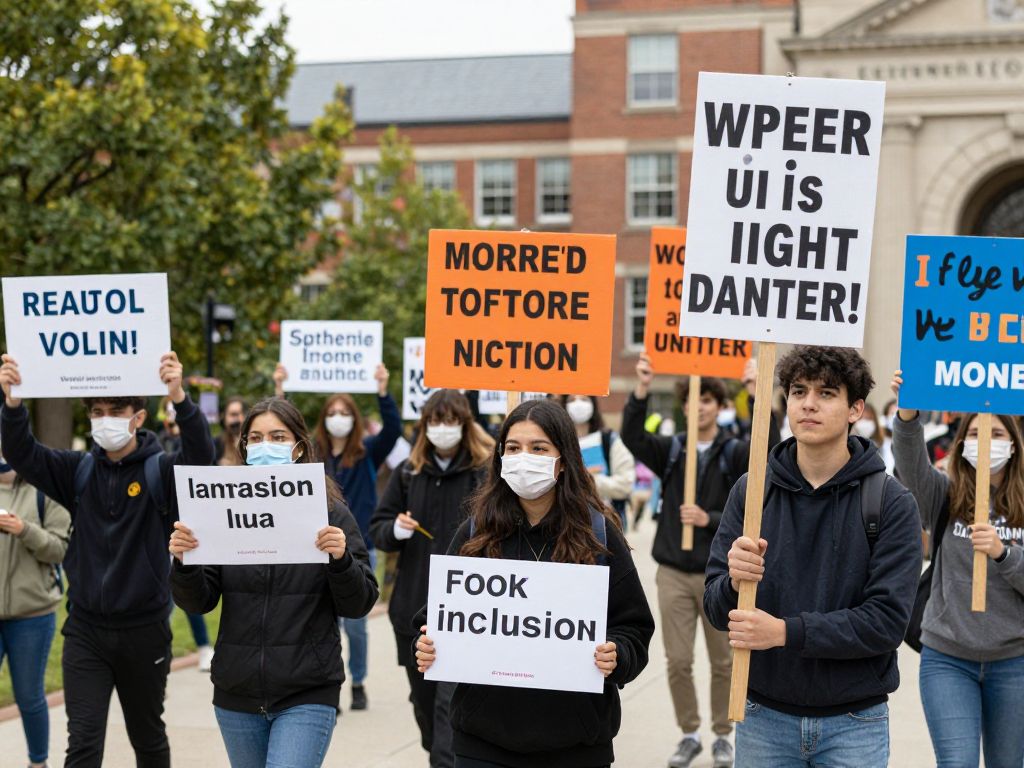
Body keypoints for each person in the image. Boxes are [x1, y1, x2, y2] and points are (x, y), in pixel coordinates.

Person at [704, 346, 922, 768]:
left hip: (854, 721)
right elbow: (715, 608)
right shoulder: (752, 492)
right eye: (798, 391)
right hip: (761, 717)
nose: (808, 403)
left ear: (856, 408)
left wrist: (786, 632)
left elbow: (886, 622)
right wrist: (733, 582)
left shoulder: (890, 502)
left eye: (826, 393)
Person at [0, 351, 215, 768]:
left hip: (144, 631)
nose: (105, 419)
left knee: (148, 739)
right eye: (97, 411)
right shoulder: (76, 471)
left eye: (117, 410)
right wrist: (12, 402)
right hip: (86, 633)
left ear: (138, 417)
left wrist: (180, 398)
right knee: (82, 745)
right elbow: (23, 452)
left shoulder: (160, 471)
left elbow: (201, 458)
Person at [413, 398, 654, 768]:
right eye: (513, 448)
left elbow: (634, 627)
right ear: (500, 457)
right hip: (482, 743)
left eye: (538, 448)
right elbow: (434, 618)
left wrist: (616, 654)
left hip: (575, 746)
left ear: (563, 460)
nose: (524, 457)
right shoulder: (476, 532)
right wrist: (426, 644)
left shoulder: (598, 535)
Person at [168, 396, 378, 768]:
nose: (268, 447)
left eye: (279, 437)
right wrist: (184, 563)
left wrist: (340, 560)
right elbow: (200, 601)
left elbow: (359, 602)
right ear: (244, 447)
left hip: (307, 691)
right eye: (257, 438)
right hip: (237, 692)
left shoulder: (329, 513)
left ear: (299, 446)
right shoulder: (221, 510)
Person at [621, 353, 777, 768]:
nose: (701, 406)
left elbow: (772, 450)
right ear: (685, 405)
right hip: (672, 571)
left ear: (719, 406)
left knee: (724, 662)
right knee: (677, 661)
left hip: (719, 576)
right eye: (694, 399)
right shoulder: (671, 450)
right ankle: (689, 732)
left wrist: (756, 394)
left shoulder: (735, 451)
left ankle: (723, 735)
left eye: (709, 399)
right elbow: (631, 436)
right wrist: (640, 388)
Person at [890, 371, 1024, 768]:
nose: (987, 443)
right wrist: (908, 412)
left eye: (998, 435)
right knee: (957, 762)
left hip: (1013, 661)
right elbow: (910, 464)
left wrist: (1004, 554)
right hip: (947, 658)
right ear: (961, 443)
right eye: (977, 434)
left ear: (1014, 446)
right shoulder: (945, 495)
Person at [369, 389, 494, 768]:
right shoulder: (409, 472)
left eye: (451, 420)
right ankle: (439, 753)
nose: (443, 429)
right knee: (425, 708)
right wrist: (396, 530)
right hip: (414, 609)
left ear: (464, 424)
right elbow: (378, 527)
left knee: (448, 710)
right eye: (436, 421)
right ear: (425, 426)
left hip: (466, 613)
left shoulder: (484, 473)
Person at [280, 361, 400, 710]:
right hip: (315, 550)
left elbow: (392, 430)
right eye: (331, 411)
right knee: (322, 622)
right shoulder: (312, 455)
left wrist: (382, 390)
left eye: (343, 411)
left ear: (354, 418)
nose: (337, 416)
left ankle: (358, 680)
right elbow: (283, 431)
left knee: (356, 626)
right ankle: (324, 685)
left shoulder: (367, 452)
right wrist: (280, 391)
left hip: (358, 548)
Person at [0, 451, 71, 768]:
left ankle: (38, 763)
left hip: (32, 615)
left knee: (29, 696)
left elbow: (60, 549)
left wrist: (23, 529)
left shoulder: (46, 492)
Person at [561, 394, 636, 529]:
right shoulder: (556, 442)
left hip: (604, 527)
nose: (578, 404)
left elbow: (626, 484)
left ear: (593, 404)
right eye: (572, 400)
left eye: (584, 399)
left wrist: (586, 479)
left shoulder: (609, 440)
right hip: (564, 525)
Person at [215, 396, 247, 466]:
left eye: (240, 414)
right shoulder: (217, 444)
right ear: (225, 417)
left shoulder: (252, 442)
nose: (238, 419)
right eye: (233, 415)